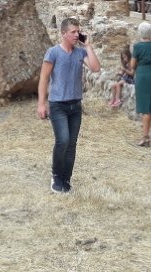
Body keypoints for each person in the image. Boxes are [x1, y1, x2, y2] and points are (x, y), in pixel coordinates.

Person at [37, 17, 101, 194]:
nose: (76, 35)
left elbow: (95, 68)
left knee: (72, 144)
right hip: (58, 105)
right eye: (73, 32)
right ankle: (56, 176)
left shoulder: (80, 53)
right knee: (63, 140)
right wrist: (41, 103)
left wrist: (88, 46)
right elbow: (44, 78)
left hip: (75, 106)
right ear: (63, 33)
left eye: (78, 31)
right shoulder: (53, 53)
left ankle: (66, 179)